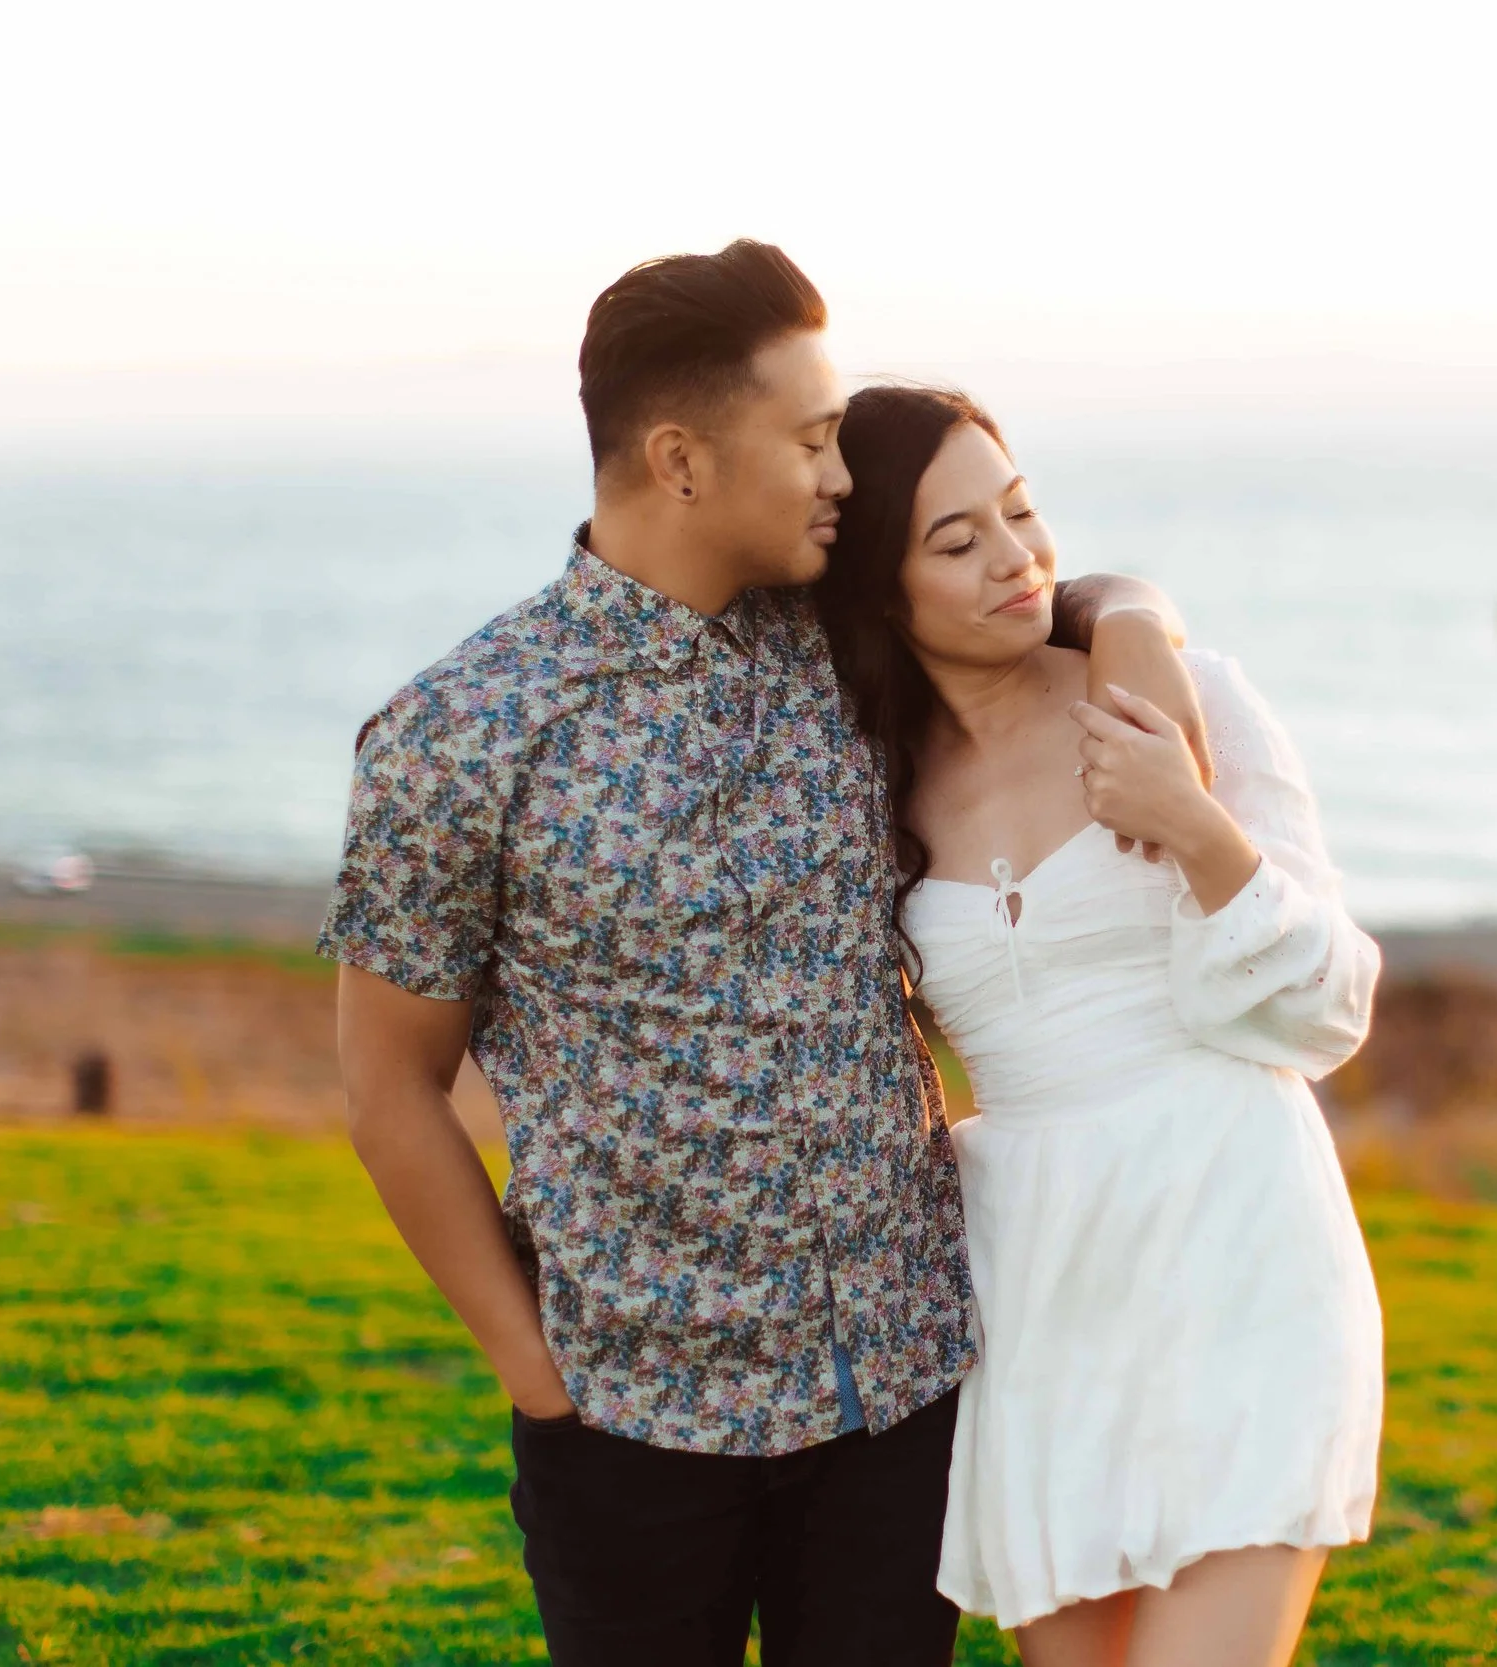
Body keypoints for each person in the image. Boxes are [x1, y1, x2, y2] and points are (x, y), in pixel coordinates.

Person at [320, 241, 1204, 1667]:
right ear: (679, 458)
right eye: (810, 440)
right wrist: (533, 1373)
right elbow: (389, 1088)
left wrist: (1138, 615)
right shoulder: (461, 733)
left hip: (901, 1393)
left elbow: (1010, 582)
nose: (841, 474)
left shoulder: (844, 641)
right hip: (631, 1417)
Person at [814, 384, 1385, 1666]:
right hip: (1036, 1286)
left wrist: (1193, 822)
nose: (1015, 560)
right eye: (954, 542)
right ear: (875, 592)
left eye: (1020, 514)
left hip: (1236, 1245)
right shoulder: (868, 785)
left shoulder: (1184, 701)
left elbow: (1331, 1009)